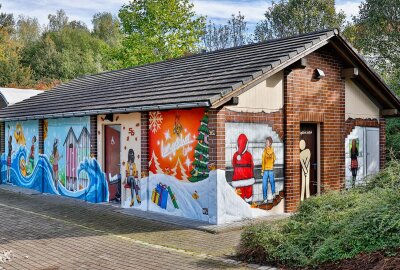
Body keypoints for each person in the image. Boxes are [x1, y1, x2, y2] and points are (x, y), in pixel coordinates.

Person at [231, 134, 255, 203]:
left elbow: (234, 164)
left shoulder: (235, 155)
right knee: (248, 193)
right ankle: (249, 205)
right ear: (246, 144)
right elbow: (252, 165)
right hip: (248, 178)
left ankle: (240, 208)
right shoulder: (249, 155)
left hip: (238, 179)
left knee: (239, 195)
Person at [261, 136, 276, 203]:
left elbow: (263, 161)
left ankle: (265, 198)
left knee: (265, 184)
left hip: (266, 170)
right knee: (271, 183)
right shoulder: (272, 151)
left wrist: (262, 171)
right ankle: (273, 194)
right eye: (266, 142)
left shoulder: (264, 151)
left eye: (267, 142)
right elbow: (274, 159)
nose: (266, 143)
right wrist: (271, 165)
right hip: (270, 170)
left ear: (270, 143)